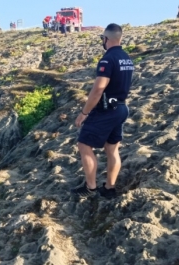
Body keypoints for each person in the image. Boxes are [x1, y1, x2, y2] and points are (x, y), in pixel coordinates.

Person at [71, 23, 134, 199]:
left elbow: (98, 89)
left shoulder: (107, 59)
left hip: (106, 110)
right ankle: (109, 188)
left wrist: (84, 113)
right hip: (121, 107)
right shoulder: (126, 58)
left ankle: (90, 187)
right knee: (112, 149)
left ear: (106, 39)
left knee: (84, 145)